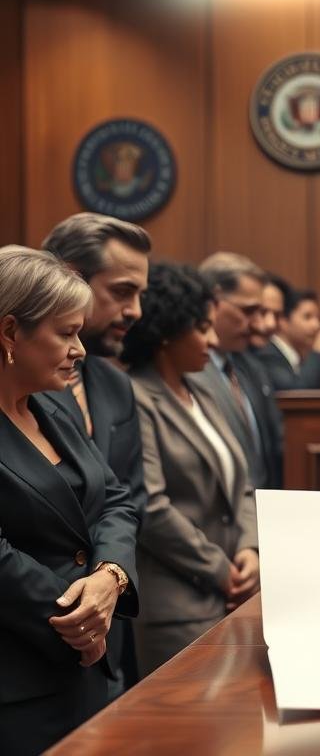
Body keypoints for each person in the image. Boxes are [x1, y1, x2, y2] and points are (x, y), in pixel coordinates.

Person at [0, 246, 139, 755]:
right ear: (10, 332)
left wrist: (109, 577)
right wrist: (80, 620)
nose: (80, 349)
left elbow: (116, 499)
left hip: (88, 672)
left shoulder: (50, 407)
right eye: (66, 333)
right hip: (19, 684)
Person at [121, 264, 259, 678]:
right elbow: (151, 506)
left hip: (233, 592)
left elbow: (243, 484)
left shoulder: (201, 390)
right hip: (177, 607)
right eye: (202, 329)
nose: (213, 341)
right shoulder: (135, 396)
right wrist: (220, 570)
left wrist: (250, 550)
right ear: (167, 331)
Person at [40, 212, 151, 696]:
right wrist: (80, 600)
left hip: (112, 629)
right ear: (70, 277)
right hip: (42, 629)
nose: (136, 311)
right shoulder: (23, 386)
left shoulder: (114, 383)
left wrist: (110, 576)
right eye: (123, 291)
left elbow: (130, 497)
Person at [196, 252, 283, 489]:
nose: (258, 324)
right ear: (212, 302)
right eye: (248, 311)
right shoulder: (186, 372)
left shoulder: (252, 367)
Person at [254, 279, 320, 390]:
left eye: (318, 318)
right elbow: (298, 393)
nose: (317, 325)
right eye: (307, 317)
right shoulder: (267, 352)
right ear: (284, 320)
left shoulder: (298, 356)